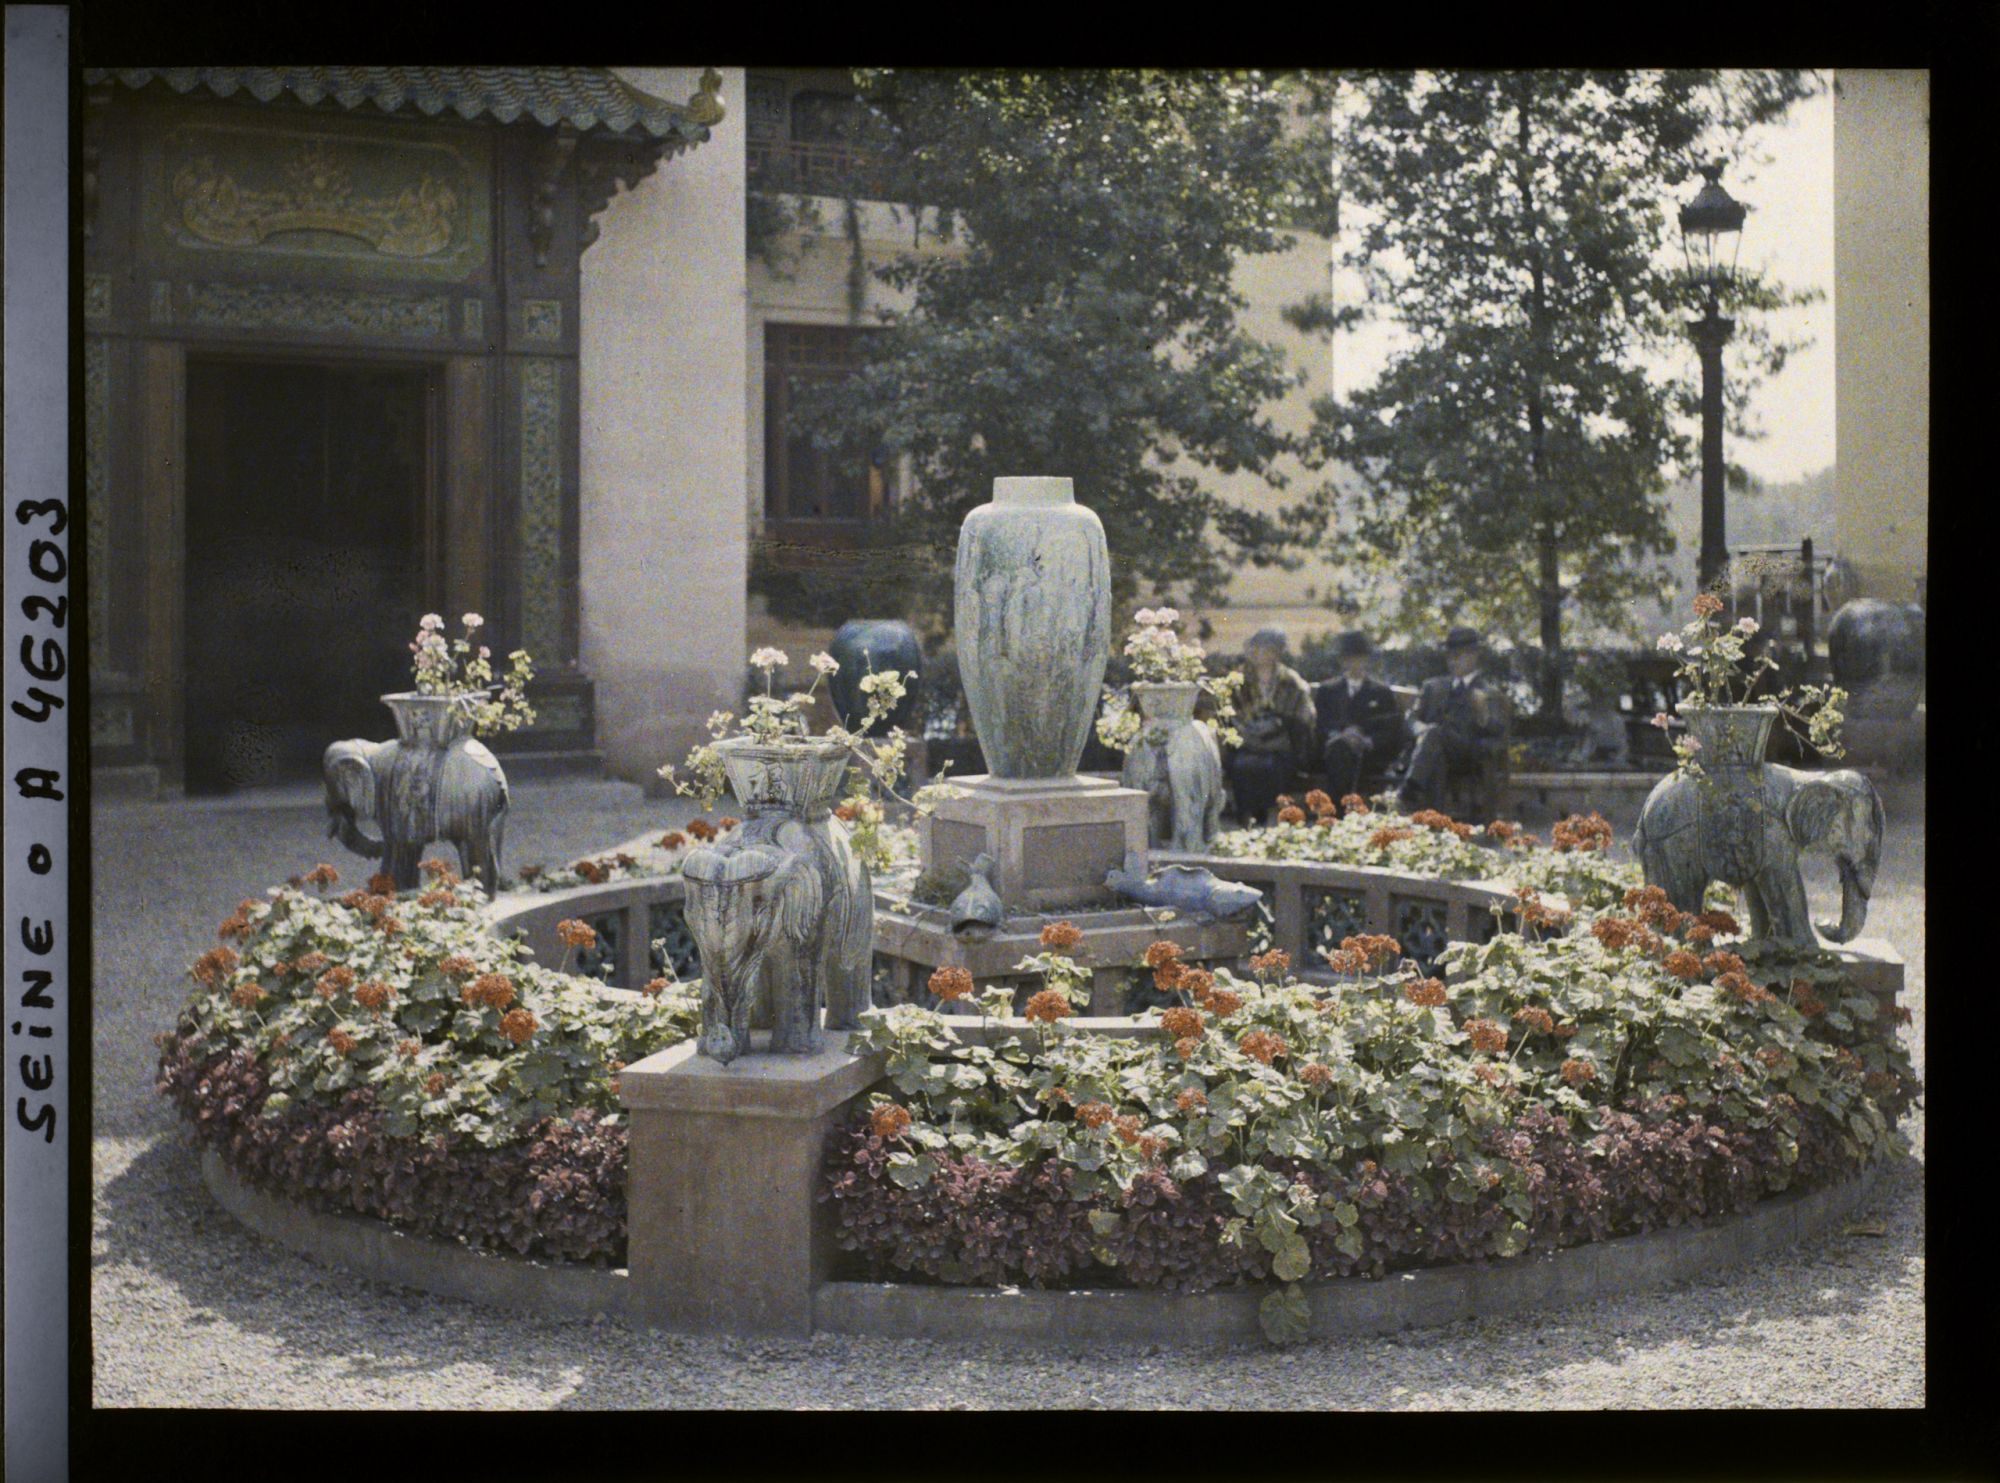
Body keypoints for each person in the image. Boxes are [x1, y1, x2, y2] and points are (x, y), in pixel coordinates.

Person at [1396, 626, 1508, 811]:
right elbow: (1411, 718)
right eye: (1450, 656)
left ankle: (1408, 792)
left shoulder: (1488, 692)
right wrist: (1421, 730)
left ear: (1474, 656)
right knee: (1435, 746)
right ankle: (1434, 819)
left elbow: (1497, 731)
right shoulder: (1433, 686)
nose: (1453, 661)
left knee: (1435, 737)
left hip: (1466, 753)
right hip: (1434, 749)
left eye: (1459, 656)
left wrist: (1484, 716)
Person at [1224, 627, 1317, 824]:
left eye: (1267, 649)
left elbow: (1305, 716)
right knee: (1243, 765)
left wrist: (1278, 727)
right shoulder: (1238, 679)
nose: (1260, 653)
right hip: (1245, 743)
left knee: (1271, 766)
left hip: (1280, 746)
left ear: (1277, 652)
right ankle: (1246, 818)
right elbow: (1228, 715)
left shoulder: (1291, 681)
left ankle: (1269, 817)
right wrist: (1248, 734)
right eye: (1256, 648)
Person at [1314, 631, 1408, 801]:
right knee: (1340, 750)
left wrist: (1367, 740)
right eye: (1349, 659)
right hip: (1334, 753)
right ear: (1342, 661)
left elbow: (1391, 730)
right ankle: (1342, 810)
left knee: (1349, 755)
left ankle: (1340, 810)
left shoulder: (1381, 692)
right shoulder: (1327, 691)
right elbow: (1320, 725)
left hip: (1370, 756)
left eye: (1359, 659)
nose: (1354, 664)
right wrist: (1342, 735)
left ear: (1367, 660)